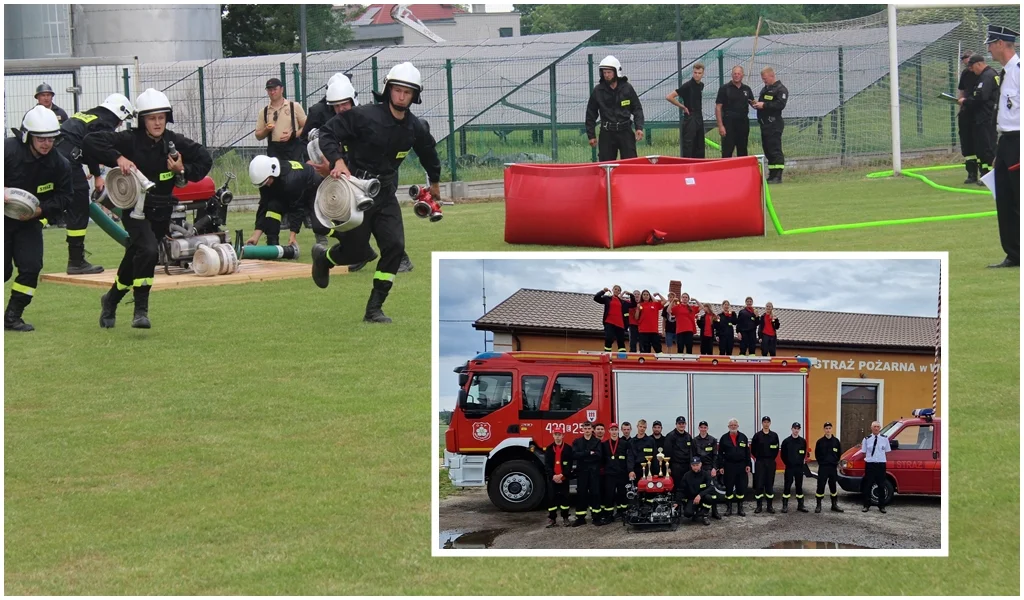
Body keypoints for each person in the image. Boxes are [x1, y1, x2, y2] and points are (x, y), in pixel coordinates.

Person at [311, 62, 442, 323]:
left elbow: (428, 153)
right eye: (397, 90)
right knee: (357, 253)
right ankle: (324, 258)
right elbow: (327, 133)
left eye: (408, 92)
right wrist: (337, 160)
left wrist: (435, 183)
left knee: (395, 246)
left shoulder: (414, 127)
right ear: (388, 90)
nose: (402, 96)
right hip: (355, 193)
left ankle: (374, 308)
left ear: (415, 96)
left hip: (385, 195)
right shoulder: (364, 116)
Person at [85, 88, 213, 330]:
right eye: (152, 118)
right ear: (142, 120)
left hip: (162, 211)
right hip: (135, 209)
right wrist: (117, 158)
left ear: (167, 118)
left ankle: (110, 300)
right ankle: (141, 310)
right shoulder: (129, 140)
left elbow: (205, 159)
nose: (157, 122)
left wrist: (182, 171)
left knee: (136, 256)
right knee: (149, 251)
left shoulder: (175, 142)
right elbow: (90, 141)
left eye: (161, 117)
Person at [4, 106, 73, 331]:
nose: (46, 144)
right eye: (41, 138)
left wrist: (41, 210)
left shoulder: (59, 164)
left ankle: (13, 316)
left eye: (51, 139)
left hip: (29, 221)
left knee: (31, 266)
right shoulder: (7, 151)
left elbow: (66, 197)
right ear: (27, 136)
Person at [55, 93, 135, 275]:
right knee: (80, 204)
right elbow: (93, 145)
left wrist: (93, 167)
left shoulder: (88, 114)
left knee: (55, 201)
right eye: (122, 120)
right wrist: (98, 176)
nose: (120, 124)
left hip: (55, 158)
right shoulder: (105, 122)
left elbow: (85, 144)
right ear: (118, 112)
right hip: (68, 161)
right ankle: (76, 261)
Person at [986, 25, 1020, 269]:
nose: (988, 48)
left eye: (990, 43)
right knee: (1005, 202)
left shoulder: (1019, 71)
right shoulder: (1005, 73)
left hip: (1020, 141)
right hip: (1006, 142)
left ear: (1000, 43)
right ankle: (1014, 254)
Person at [246, 155, 321, 249]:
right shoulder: (267, 179)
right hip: (293, 189)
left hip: (313, 188)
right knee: (272, 206)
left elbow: (297, 208)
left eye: (266, 182)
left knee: (319, 226)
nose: (266, 185)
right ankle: (272, 244)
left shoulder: (291, 180)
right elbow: (264, 205)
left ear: (272, 173)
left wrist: (292, 236)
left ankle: (335, 238)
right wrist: (255, 235)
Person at [586, 56, 645, 161]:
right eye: (604, 73)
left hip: (625, 132)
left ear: (616, 72)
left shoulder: (627, 88)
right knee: (606, 165)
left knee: (630, 163)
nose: (606, 75)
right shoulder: (598, 91)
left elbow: (637, 109)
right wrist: (591, 135)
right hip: (607, 133)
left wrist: (639, 128)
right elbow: (591, 114)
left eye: (609, 72)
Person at [959, 55, 1000, 183]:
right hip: (982, 117)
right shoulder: (987, 74)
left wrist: (965, 101)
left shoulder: (987, 76)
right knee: (981, 148)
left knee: (987, 147)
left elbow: (980, 97)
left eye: (972, 67)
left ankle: (992, 176)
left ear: (978, 64)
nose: (972, 71)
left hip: (986, 117)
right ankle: (985, 176)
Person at [256, 78, 307, 162]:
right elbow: (258, 135)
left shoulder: (294, 106)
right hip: (274, 151)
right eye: (269, 90)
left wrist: (293, 134)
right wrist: (266, 129)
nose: (272, 92)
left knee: (294, 174)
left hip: (293, 150)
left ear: (281, 89)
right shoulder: (264, 111)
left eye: (275, 89)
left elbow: (307, 126)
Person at [753, 67, 789, 183]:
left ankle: (778, 175)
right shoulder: (765, 89)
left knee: (775, 149)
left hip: (774, 124)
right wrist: (756, 104)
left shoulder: (780, 89)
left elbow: (780, 105)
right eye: (763, 79)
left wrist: (764, 105)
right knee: (768, 150)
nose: (764, 81)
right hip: (765, 124)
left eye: (765, 79)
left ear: (772, 76)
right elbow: (763, 102)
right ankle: (772, 174)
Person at [301, 73, 356, 143]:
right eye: (336, 105)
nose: (341, 109)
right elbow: (304, 140)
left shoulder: (358, 112)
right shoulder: (317, 111)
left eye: (344, 103)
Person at [666, 63, 706, 158]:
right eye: (695, 72)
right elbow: (669, 97)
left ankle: (700, 167)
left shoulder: (701, 85)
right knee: (689, 145)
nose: (697, 75)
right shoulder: (687, 86)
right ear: (693, 72)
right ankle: (687, 166)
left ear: (703, 74)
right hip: (690, 117)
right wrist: (682, 107)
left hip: (699, 116)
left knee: (700, 144)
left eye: (699, 73)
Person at [715, 66, 755, 158]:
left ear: (742, 75)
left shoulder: (747, 89)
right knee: (727, 150)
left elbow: (752, 103)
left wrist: (761, 104)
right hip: (729, 123)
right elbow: (718, 107)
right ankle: (726, 171)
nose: (736, 75)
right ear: (732, 75)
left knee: (742, 149)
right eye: (735, 74)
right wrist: (721, 126)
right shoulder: (724, 88)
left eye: (739, 73)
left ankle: (742, 171)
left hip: (743, 123)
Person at [571, 421, 603, 526]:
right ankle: (580, 518)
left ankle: (596, 517)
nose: (587, 430)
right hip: (582, 472)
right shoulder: (577, 441)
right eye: (585, 428)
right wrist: (589, 453)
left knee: (595, 494)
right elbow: (575, 455)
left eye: (589, 428)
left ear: (592, 429)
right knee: (581, 494)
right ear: (582, 429)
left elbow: (598, 455)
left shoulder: (597, 442)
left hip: (594, 472)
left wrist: (584, 455)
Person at [717, 417, 750, 516]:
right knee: (729, 487)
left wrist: (748, 464)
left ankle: (740, 508)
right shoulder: (724, 438)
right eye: (731, 425)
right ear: (728, 427)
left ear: (738, 426)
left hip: (741, 465)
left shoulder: (743, 437)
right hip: (729, 465)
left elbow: (747, 452)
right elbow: (720, 454)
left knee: (741, 487)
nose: (733, 427)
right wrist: (721, 466)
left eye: (735, 425)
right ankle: (729, 508)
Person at [957, 51, 981, 184]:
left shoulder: (985, 74)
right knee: (967, 144)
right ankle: (972, 173)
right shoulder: (966, 74)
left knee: (981, 144)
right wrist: (961, 105)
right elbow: (962, 90)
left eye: (968, 60)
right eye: (965, 61)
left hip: (978, 114)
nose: (967, 63)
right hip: (966, 112)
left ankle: (985, 174)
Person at [600, 423, 630, 524]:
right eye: (612, 430)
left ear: (618, 431)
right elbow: (602, 459)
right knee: (609, 495)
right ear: (609, 431)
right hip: (609, 474)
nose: (614, 432)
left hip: (621, 474)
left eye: (615, 430)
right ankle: (609, 515)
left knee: (622, 494)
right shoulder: (604, 444)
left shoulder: (624, 443)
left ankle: (623, 513)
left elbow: (627, 459)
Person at [544, 424, 573, 527]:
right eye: (556, 434)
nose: (557, 436)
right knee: (551, 498)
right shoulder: (549, 448)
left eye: (559, 434)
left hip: (563, 478)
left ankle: (565, 518)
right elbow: (547, 464)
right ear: (553, 435)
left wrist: (562, 476)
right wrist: (553, 476)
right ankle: (552, 519)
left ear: (563, 435)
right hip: (553, 478)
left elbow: (569, 464)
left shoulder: (568, 448)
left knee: (565, 498)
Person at [692, 420, 722, 519]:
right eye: (701, 427)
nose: (703, 429)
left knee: (712, 491)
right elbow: (693, 456)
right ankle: (701, 512)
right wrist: (695, 468)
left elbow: (715, 456)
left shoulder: (712, 440)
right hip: (699, 469)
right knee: (700, 490)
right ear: (699, 428)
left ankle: (715, 511)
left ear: (707, 428)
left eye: (705, 427)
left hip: (709, 469)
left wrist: (714, 468)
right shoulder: (695, 440)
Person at [861, 420, 892, 513]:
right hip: (870, 465)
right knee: (868, 485)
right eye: (874, 426)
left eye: (878, 427)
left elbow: (887, 451)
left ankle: (881, 506)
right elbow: (864, 452)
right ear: (871, 428)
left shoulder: (885, 439)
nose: (876, 428)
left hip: (881, 465)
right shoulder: (866, 439)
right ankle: (866, 505)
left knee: (881, 485)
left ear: (880, 428)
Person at [751, 416, 780, 514]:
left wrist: (770, 458)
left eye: (768, 422)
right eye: (764, 422)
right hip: (760, 462)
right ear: (762, 423)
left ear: (770, 423)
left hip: (771, 462)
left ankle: (769, 506)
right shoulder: (757, 436)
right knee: (759, 484)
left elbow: (776, 449)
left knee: (769, 484)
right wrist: (759, 458)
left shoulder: (774, 436)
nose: (766, 424)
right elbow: (753, 450)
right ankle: (759, 506)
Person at [813, 421, 844, 513]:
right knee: (820, 486)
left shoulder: (836, 441)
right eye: (826, 428)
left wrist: (835, 462)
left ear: (832, 429)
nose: (828, 430)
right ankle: (818, 505)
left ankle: (834, 505)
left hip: (832, 468)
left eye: (829, 428)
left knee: (833, 486)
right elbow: (817, 454)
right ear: (824, 430)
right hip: (823, 468)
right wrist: (821, 463)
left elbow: (839, 453)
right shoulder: (820, 442)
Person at [678, 455, 718, 525]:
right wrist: (677, 501)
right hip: (692, 499)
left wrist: (700, 495)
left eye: (697, 465)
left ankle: (704, 515)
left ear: (701, 464)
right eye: (694, 465)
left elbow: (711, 488)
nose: (695, 467)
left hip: (703, 498)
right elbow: (681, 489)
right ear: (691, 465)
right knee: (687, 513)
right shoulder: (686, 476)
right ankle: (695, 513)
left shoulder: (705, 474)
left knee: (710, 497)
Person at [594, 286, 635, 352]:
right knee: (609, 338)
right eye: (615, 289)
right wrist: (603, 291)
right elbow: (596, 298)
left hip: (620, 324)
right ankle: (607, 354)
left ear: (620, 292)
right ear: (613, 290)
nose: (617, 291)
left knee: (621, 341)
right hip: (609, 322)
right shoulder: (607, 298)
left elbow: (633, 304)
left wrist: (631, 295)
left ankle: (622, 357)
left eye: (618, 290)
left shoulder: (623, 302)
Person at [780, 422, 810, 513]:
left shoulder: (802, 441)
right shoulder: (786, 441)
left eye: (798, 429)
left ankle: (801, 505)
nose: (796, 430)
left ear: (799, 430)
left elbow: (803, 453)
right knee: (787, 486)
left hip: (799, 468)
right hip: (789, 468)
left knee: (799, 486)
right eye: (794, 428)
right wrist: (788, 463)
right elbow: (783, 455)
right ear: (791, 429)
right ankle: (785, 506)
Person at [664, 416, 693, 502]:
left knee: (686, 485)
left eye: (683, 423)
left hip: (687, 466)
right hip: (676, 466)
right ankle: (676, 505)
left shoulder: (688, 436)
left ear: (685, 424)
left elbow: (691, 451)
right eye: (679, 424)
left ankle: (685, 505)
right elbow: (667, 453)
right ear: (676, 424)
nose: (681, 425)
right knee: (677, 486)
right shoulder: (670, 436)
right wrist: (668, 467)